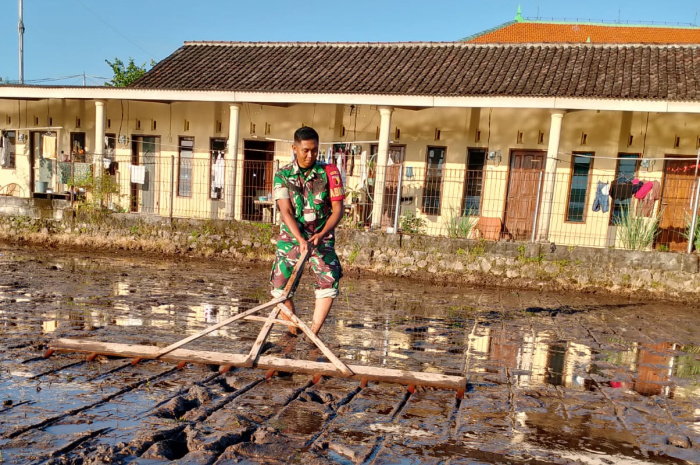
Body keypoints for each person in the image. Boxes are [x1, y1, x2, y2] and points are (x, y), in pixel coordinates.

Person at [269, 126, 344, 336]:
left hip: (322, 234)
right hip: (292, 235)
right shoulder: (282, 175)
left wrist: (321, 234)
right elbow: (285, 212)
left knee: (329, 278)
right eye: (305, 150)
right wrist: (300, 238)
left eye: (314, 150)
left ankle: (313, 334)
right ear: (294, 148)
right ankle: (293, 331)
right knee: (279, 287)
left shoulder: (330, 173)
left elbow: (338, 210)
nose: (310, 155)